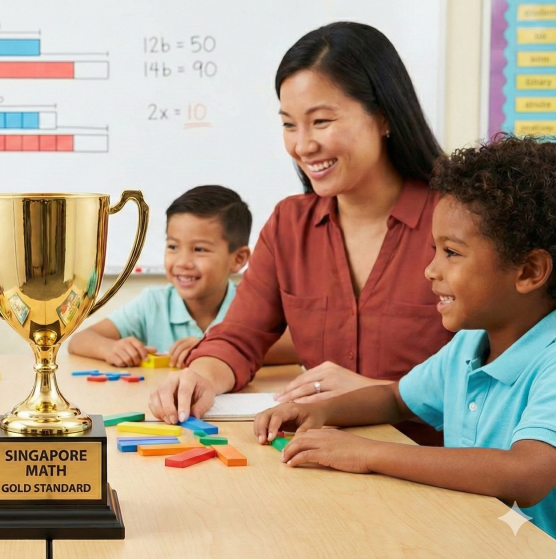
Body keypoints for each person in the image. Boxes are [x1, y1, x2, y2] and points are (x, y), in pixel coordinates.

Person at [150, 22, 452, 446]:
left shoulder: (458, 221)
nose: (303, 145)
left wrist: (378, 395)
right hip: (322, 462)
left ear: (383, 116)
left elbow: (501, 378)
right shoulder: (291, 225)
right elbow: (240, 336)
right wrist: (199, 378)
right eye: (290, 125)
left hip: (440, 472)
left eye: (321, 121)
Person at [255, 135, 556, 538]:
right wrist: (322, 412)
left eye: (451, 252)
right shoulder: (470, 346)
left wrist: (370, 453)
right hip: (476, 538)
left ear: (529, 272)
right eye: (434, 249)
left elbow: (527, 473)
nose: (431, 270)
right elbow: (396, 398)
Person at [68, 185, 296, 368]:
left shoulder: (249, 306)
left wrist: (215, 348)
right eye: (173, 247)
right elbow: (79, 340)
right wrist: (110, 349)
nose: (183, 263)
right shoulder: (153, 305)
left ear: (238, 259)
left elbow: (296, 347)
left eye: (199, 250)